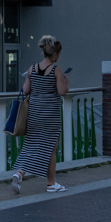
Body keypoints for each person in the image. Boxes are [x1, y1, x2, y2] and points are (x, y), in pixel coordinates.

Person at [11, 35, 69, 194]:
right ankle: (51, 184)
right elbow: (62, 92)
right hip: (50, 116)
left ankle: (19, 173)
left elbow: (25, 90)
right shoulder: (56, 71)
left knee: (31, 145)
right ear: (55, 54)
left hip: (34, 114)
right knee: (50, 149)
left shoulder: (32, 68)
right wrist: (66, 80)